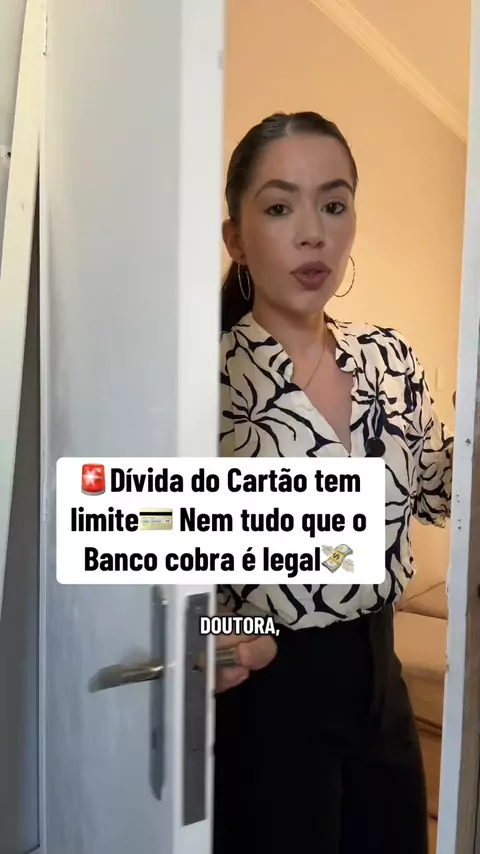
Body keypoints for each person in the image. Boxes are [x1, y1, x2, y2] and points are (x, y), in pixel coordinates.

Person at [213, 111, 454, 854]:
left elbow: (440, 493)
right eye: (280, 208)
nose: (313, 233)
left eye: (335, 203)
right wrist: (224, 636)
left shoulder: (391, 361)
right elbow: (141, 559)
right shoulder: (200, 379)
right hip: (269, 700)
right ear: (236, 238)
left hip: (383, 687)